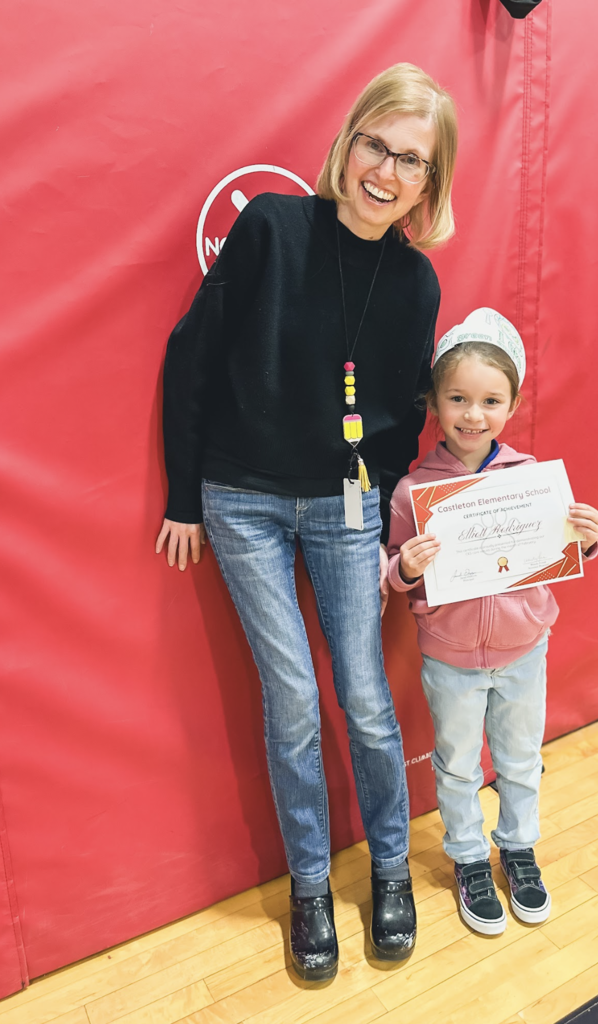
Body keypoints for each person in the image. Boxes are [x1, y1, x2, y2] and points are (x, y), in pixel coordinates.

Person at [155, 64, 458, 979]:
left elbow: (407, 415)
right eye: (375, 143)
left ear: (428, 183)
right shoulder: (271, 228)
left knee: (365, 701)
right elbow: (192, 356)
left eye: (410, 159)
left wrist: (380, 503)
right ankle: (312, 886)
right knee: (290, 701)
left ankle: (394, 871)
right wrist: (183, 495)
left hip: (346, 509)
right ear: (347, 143)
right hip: (240, 503)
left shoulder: (416, 283)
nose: (385, 170)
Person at [386, 308, 598, 935]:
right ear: (435, 402)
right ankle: (466, 858)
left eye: (489, 400)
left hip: (523, 651)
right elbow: (392, 575)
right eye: (457, 398)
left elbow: (555, 553)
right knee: (456, 764)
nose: (472, 415)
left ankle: (517, 848)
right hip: (449, 657)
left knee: (520, 758)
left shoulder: (531, 481)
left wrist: (585, 540)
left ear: (511, 405)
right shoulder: (413, 490)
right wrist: (405, 567)